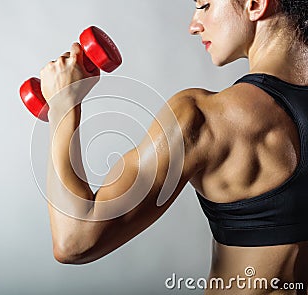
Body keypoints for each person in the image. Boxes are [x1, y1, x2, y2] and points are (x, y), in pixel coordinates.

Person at [39, 0, 308, 293]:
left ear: (255, 4)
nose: (194, 25)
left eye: (204, 5)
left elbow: (74, 241)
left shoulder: (205, 118)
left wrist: (64, 104)